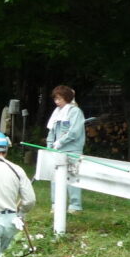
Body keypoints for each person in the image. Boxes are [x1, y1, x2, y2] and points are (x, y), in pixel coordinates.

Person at [45, 84, 85, 212]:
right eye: (55, 99)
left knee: (73, 177)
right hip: (57, 151)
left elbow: (74, 132)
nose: (57, 102)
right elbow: (51, 130)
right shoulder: (57, 113)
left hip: (73, 150)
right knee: (55, 177)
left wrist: (60, 142)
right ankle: (56, 204)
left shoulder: (75, 112)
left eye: (59, 99)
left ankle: (75, 206)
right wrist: (50, 145)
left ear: (67, 98)